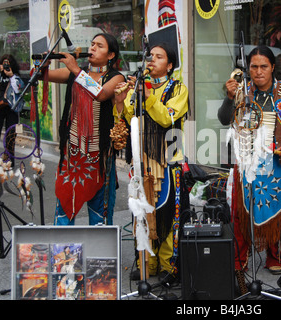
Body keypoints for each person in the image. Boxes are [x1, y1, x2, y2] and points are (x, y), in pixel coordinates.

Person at [218, 45, 281, 288]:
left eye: (263, 66)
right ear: (248, 69)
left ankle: (274, 256)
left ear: (273, 68)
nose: (258, 72)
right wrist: (228, 98)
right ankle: (240, 256)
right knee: (242, 211)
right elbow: (224, 118)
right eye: (254, 67)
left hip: (276, 162)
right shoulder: (240, 91)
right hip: (246, 161)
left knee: (277, 211)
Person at [115, 42, 190, 284]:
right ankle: (148, 262)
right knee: (143, 211)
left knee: (167, 211)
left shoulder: (178, 88)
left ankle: (169, 265)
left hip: (168, 160)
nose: (152, 60)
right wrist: (121, 99)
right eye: (150, 56)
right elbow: (129, 117)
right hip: (142, 159)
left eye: (159, 57)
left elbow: (168, 118)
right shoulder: (138, 87)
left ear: (169, 65)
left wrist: (148, 97)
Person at [44, 33, 125, 225]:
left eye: (99, 45)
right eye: (92, 44)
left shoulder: (116, 77)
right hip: (72, 154)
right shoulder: (77, 72)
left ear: (111, 55)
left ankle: (100, 253)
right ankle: (64, 253)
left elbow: (101, 93)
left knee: (100, 215)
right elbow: (42, 76)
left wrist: (74, 69)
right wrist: (44, 64)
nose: (93, 48)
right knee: (63, 207)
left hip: (99, 156)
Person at [0, 54, 25, 165]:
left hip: (12, 108)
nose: (5, 65)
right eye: (4, 63)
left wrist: (11, 75)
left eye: (8, 63)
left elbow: (18, 90)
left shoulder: (15, 76)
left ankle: (9, 161)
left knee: (10, 135)